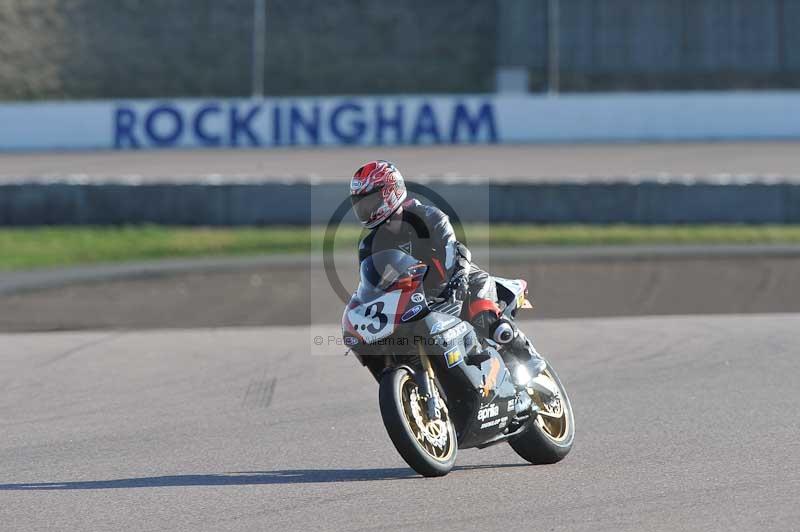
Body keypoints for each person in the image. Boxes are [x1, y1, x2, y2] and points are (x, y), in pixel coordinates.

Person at [350, 160, 544, 379]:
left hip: (459, 280)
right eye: (360, 204)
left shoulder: (428, 216)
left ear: (390, 192)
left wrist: (452, 284)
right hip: (414, 302)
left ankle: (529, 356)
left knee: (484, 316)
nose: (365, 209)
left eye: (370, 201)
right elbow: (373, 286)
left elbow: (451, 253)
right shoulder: (369, 245)